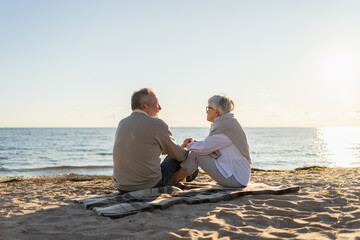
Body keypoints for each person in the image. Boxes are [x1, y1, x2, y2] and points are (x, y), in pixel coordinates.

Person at [113, 88, 188, 192]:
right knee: (182, 158)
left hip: (122, 186)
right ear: (144, 106)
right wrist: (188, 150)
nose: (160, 108)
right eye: (157, 104)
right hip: (147, 185)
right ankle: (182, 178)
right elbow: (180, 155)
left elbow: (145, 149)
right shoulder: (157, 123)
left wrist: (180, 147)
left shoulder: (122, 123)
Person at [173, 94, 252, 187]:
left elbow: (204, 148)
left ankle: (172, 179)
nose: (206, 112)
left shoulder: (225, 128)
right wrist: (194, 143)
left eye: (208, 108)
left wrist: (188, 145)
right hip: (236, 177)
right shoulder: (226, 123)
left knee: (197, 154)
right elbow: (210, 145)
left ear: (216, 112)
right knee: (197, 150)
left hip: (235, 180)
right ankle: (178, 178)